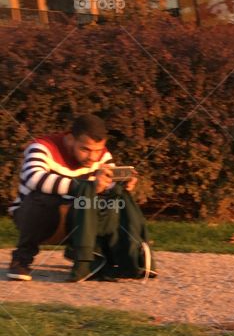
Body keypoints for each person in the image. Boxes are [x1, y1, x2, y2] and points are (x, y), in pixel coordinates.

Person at [8, 113, 141, 282]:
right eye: (85, 149)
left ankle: (91, 258)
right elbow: (33, 178)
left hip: (77, 215)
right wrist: (84, 187)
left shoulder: (102, 156)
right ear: (70, 139)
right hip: (36, 215)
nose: (92, 157)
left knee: (112, 203)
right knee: (42, 199)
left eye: (97, 150)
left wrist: (120, 186)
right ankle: (22, 258)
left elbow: (106, 188)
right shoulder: (42, 147)